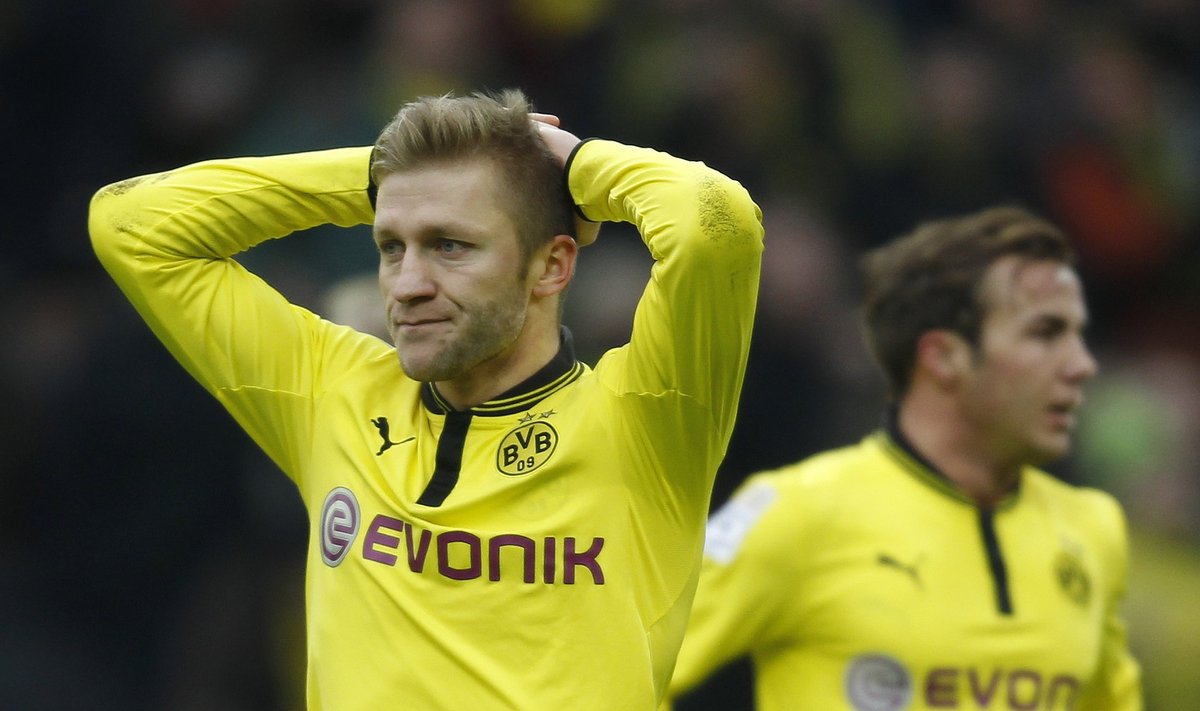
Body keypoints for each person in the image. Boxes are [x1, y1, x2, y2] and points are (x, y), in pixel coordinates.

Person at [88, 88, 764, 710]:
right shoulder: (331, 393)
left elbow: (715, 222)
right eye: (390, 246)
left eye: (449, 245)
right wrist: (384, 177)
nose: (407, 284)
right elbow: (130, 221)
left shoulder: (647, 418)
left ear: (552, 265)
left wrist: (576, 165)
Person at [666, 206, 1142, 711]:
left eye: (1079, 336)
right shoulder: (796, 513)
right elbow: (620, 674)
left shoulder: (1094, 529)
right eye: (1045, 334)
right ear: (944, 357)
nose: (1082, 365)